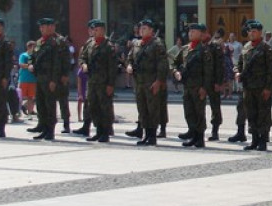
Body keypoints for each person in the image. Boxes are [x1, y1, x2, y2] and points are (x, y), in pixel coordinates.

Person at [235, 20, 272, 151]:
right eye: (249, 31)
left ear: (260, 33)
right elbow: (239, 64)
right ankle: (254, 140)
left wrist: (268, 88)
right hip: (248, 87)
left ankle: (263, 140)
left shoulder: (266, 48)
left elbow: (271, 69)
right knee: (251, 113)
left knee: (263, 114)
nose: (251, 34)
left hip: (261, 87)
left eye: (254, 32)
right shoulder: (246, 47)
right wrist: (237, 72)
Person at [126, 18, 168, 147]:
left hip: (151, 82)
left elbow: (162, 64)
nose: (141, 30)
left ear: (151, 30)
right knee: (142, 109)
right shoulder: (137, 44)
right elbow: (129, 58)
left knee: (153, 109)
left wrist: (159, 81)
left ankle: (152, 135)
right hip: (139, 83)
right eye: (141, 28)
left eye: (144, 28)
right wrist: (128, 66)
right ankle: (145, 134)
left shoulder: (157, 44)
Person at [173, 23, 213, 148]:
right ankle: (193, 135)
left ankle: (199, 138)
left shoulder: (204, 50)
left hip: (198, 86)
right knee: (189, 111)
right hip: (187, 86)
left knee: (199, 112)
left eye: (194, 31)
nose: (190, 33)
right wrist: (176, 72)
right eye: (190, 31)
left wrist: (204, 88)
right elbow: (174, 63)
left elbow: (208, 71)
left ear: (201, 34)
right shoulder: (185, 49)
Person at [30, 17, 65, 141]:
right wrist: (31, 64)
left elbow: (57, 63)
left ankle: (50, 130)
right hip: (39, 77)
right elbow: (32, 56)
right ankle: (44, 128)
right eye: (41, 27)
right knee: (41, 104)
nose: (41, 29)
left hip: (49, 77)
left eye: (44, 27)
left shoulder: (55, 42)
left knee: (50, 105)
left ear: (51, 27)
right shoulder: (39, 42)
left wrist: (54, 80)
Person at [83, 20, 117, 143]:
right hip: (92, 81)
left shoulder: (109, 46)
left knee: (105, 108)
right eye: (93, 30)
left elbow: (112, 67)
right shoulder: (90, 44)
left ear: (102, 30)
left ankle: (105, 132)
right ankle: (98, 131)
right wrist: (84, 65)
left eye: (96, 30)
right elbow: (83, 57)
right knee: (93, 106)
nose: (94, 32)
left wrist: (110, 84)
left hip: (104, 82)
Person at [205, 29, 225, 141]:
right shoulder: (196, 47)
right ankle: (195, 131)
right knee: (197, 107)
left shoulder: (214, 47)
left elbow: (219, 66)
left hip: (213, 82)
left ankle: (215, 131)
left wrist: (219, 82)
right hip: (200, 82)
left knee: (215, 106)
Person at [19, 41, 37, 118]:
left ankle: (29, 114)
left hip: (33, 79)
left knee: (31, 97)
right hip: (24, 79)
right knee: (21, 97)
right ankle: (17, 112)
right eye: (34, 47)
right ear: (29, 47)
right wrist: (30, 66)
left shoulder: (35, 56)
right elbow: (21, 65)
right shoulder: (23, 55)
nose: (35, 48)